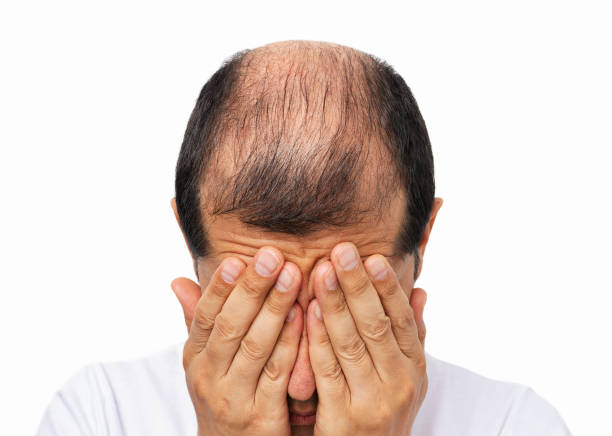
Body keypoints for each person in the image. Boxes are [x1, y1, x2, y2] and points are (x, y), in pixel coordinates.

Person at [36, 40, 571, 435]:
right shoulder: (96, 414)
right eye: (264, 306)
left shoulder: (517, 424)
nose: (300, 386)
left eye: (348, 309)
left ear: (423, 240)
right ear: (188, 241)